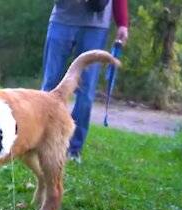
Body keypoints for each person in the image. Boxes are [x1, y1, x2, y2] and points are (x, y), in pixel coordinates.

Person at [41, 0, 129, 163]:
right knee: (50, 83)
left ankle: (73, 149)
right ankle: (41, 140)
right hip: (62, 20)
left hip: (95, 27)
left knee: (86, 90)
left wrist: (122, 23)